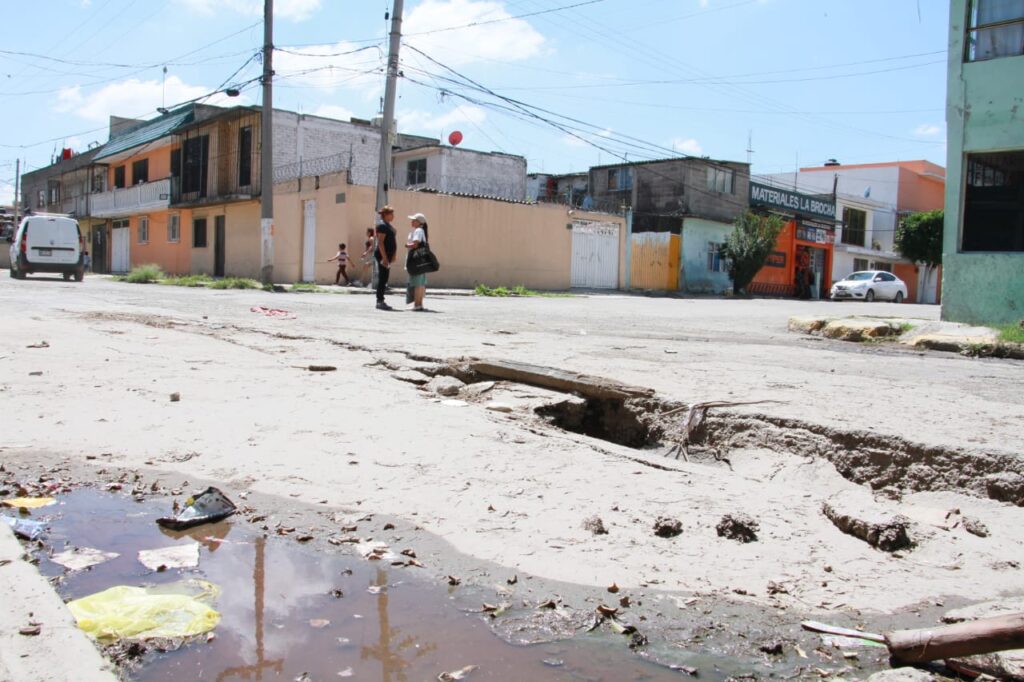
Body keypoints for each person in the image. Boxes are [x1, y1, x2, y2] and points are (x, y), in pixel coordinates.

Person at [374, 206, 398, 310]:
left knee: (385, 278)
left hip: (388, 255)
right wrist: (384, 258)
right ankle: (380, 301)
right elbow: (380, 243)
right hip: (382, 254)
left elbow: (393, 241)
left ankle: (381, 300)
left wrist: (393, 255)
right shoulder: (382, 226)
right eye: (391, 214)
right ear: (385, 215)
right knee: (383, 278)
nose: (393, 216)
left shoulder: (388, 226)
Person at [405, 212, 430, 311]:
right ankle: (419, 304)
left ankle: (416, 304)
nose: (412, 221)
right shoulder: (422, 231)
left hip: (416, 261)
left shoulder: (418, 231)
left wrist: (407, 245)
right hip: (421, 261)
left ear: (419, 222)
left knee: (416, 283)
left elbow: (415, 244)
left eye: (414, 220)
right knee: (420, 283)